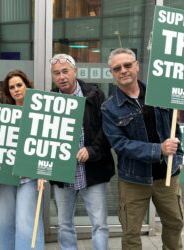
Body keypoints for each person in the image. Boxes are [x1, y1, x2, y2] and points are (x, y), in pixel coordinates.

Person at [101, 48, 184, 250]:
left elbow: (175, 130)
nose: (123, 70)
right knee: (131, 232)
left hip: (167, 175)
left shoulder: (160, 94)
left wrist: (179, 158)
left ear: (137, 66)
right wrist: (159, 150)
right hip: (133, 180)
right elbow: (120, 144)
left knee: (175, 222)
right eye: (117, 68)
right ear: (112, 73)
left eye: (128, 65)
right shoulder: (109, 107)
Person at [50, 54, 115, 250]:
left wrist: (92, 150)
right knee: (64, 224)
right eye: (56, 73)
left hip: (92, 169)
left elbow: (107, 129)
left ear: (75, 71)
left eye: (65, 71)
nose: (61, 77)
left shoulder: (95, 95)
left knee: (100, 224)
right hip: (63, 172)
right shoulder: (49, 100)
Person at [0, 69, 45, 250]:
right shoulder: (3, 113)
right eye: (11, 87)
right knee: (6, 221)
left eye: (19, 85)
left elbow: (45, 142)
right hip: (6, 175)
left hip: (30, 175)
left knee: (27, 222)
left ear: (27, 86)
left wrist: (43, 172)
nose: (16, 89)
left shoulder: (38, 111)